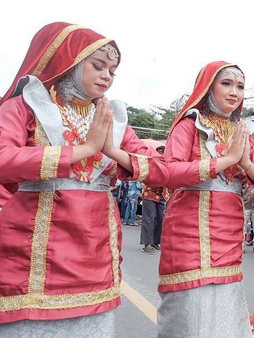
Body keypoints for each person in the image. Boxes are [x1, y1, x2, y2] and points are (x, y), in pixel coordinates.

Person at [0, 22, 168, 335]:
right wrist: (85, 149)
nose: (107, 75)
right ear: (69, 62)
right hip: (33, 252)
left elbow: (163, 170)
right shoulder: (26, 105)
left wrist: (112, 151)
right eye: (98, 65)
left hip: (95, 251)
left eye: (112, 70)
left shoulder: (111, 119)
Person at [157, 61, 254, 338]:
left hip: (228, 234)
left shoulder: (243, 134)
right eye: (226, 83)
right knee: (190, 311)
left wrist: (247, 165)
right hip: (189, 231)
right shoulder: (190, 125)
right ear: (208, 87)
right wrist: (224, 161)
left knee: (225, 310)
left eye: (240, 86)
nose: (234, 92)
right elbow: (168, 172)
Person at [140, 145, 170, 254]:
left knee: (161, 218)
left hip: (162, 194)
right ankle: (147, 243)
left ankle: (155, 241)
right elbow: (143, 177)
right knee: (149, 218)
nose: (161, 154)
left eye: (163, 152)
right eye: (159, 152)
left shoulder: (167, 163)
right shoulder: (149, 164)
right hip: (150, 193)